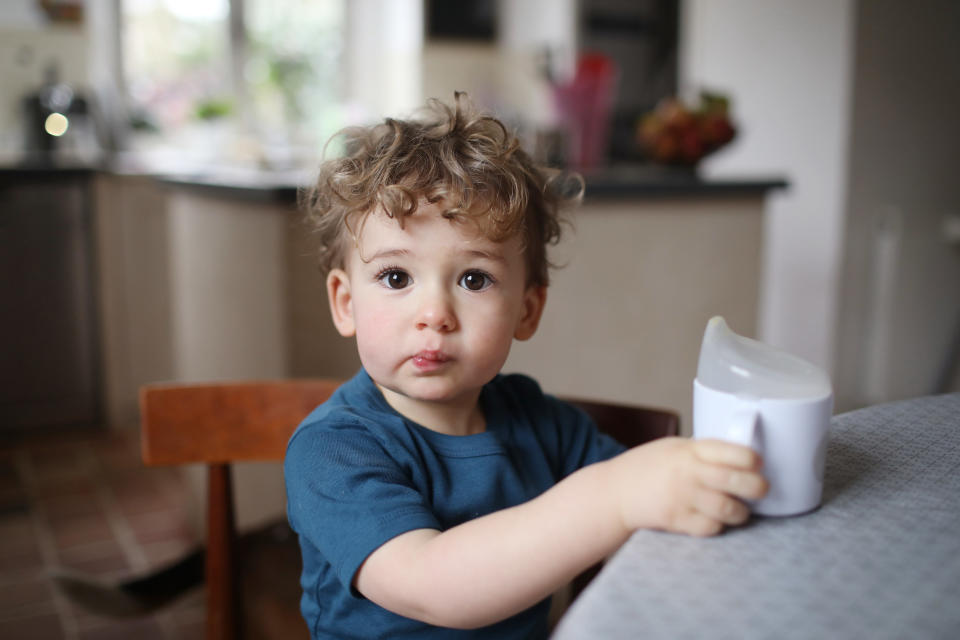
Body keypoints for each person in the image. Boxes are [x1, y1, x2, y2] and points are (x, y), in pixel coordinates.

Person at [284, 93, 767, 639]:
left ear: (528, 309)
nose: (434, 315)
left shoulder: (540, 422)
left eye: (474, 279)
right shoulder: (332, 451)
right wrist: (615, 497)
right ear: (346, 303)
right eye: (396, 278)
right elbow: (431, 585)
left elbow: (651, 517)